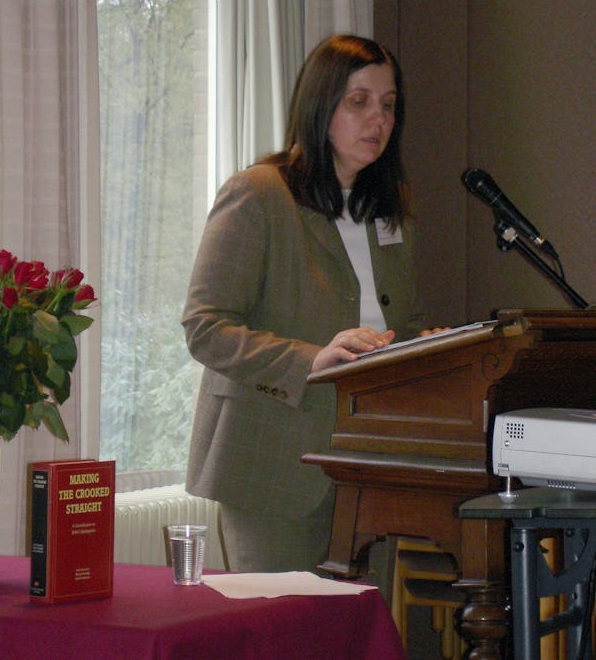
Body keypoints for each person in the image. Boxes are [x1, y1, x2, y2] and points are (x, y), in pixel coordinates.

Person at [181, 33, 434, 573]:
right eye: (359, 101)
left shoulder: (388, 211)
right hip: (274, 464)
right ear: (320, 105)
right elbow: (205, 327)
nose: (378, 119)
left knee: (360, 622)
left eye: (389, 105)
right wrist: (310, 360)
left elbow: (402, 324)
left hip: (372, 468)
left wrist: (429, 348)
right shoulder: (259, 194)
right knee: (284, 622)